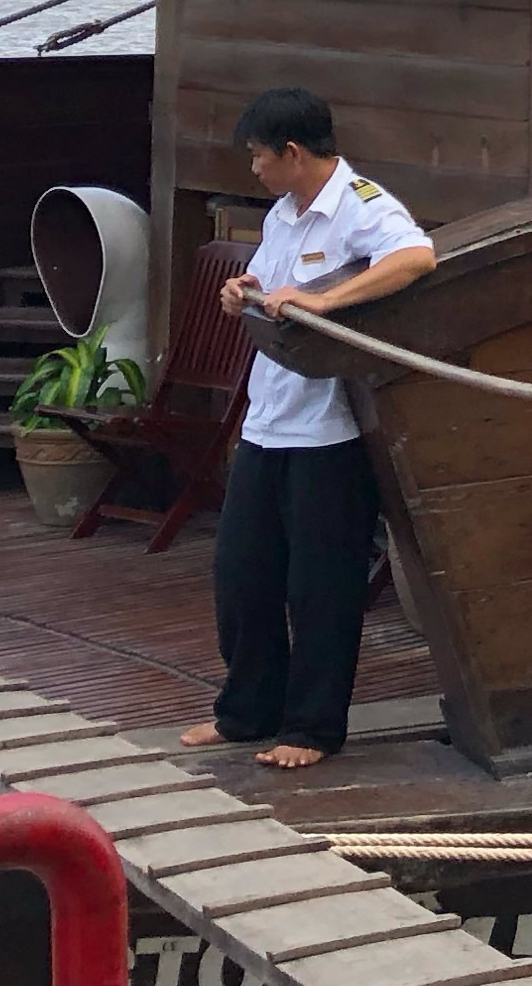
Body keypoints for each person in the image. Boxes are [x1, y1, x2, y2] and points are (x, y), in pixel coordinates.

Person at [177, 87, 434, 771]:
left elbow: (415, 257)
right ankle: (247, 711)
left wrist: (327, 300)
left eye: (259, 156)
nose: (254, 169)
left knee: (321, 586)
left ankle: (313, 727)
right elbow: (268, 284)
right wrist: (242, 291)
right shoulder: (283, 213)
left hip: (330, 432)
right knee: (242, 574)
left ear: (292, 152)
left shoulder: (361, 204)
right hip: (268, 419)